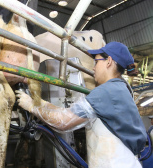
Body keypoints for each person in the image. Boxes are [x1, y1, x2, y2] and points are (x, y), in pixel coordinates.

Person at [15, 41, 147, 168]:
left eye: (96, 62)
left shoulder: (107, 91)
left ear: (109, 62)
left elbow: (63, 121)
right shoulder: (120, 89)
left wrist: (32, 106)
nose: (93, 67)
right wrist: (43, 103)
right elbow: (67, 113)